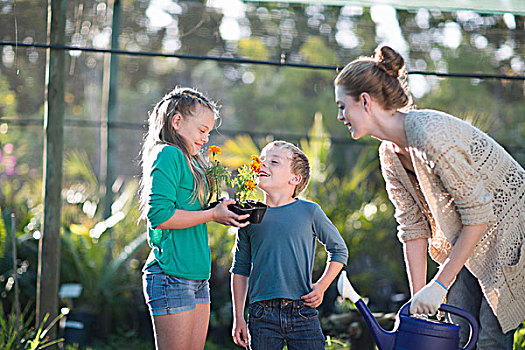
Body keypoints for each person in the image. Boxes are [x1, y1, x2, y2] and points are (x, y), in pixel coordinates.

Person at [334, 45, 525, 349]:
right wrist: (417, 302)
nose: (340, 115)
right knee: (460, 338)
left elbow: (479, 214)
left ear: (366, 101)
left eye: (343, 106)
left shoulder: (430, 134)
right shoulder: (389, 153)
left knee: (489, 341)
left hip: (509, 232)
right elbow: (412, 228)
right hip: (464, 240)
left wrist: (439, 284)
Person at [138, 86, 249, 350]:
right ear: (177, 122)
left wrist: (219, 206)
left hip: (197, 276)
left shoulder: (192, 161)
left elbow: (193, 208)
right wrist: (212, 214)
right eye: (201, 130)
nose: (205, 138)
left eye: (208, 132)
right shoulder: (167, 154)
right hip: (171, 274)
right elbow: (160, 216)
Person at [230, 141, 349, 350]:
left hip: (302, 311)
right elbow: (240, 269)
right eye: (262, 159)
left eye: (273, 162)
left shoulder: (310, 212)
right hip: (261, 315)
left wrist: (321, 287)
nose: (262, 164)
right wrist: (238, 316)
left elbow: (339, 250)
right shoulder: (247, 215)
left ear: (295, 179)